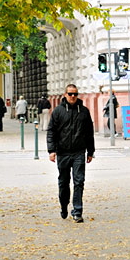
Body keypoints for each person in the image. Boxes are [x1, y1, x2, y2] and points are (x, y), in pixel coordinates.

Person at [47, 84, 95, 223]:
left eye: (75, 94)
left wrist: (90, 151)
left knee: (79, 182)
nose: (73, 96)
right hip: (63, 153)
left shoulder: (84, 112)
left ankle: (77, 211)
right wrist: (52, 150)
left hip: (79, 152)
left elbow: (89, 133)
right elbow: (51, 132)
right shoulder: (58, 111)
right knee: (63, 183)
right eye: (70, 94)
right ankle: (63, 205)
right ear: (65, 95)